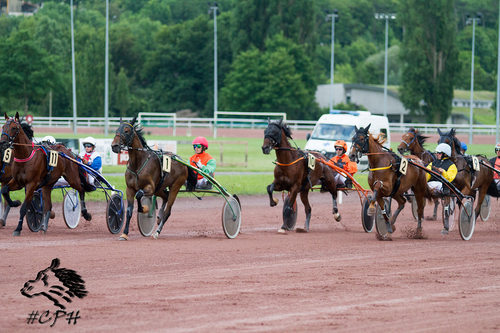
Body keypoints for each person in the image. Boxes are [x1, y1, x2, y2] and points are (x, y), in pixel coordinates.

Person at [426, 143, 457, 235]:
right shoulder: (432, 164)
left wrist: (443, 172)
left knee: (442, 187)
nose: (437, 154)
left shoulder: (452, 166)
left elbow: (450, 178)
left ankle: (446, 226)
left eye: (439, 153)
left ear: (445, 154)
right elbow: (426, 175)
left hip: (442, 186)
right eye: (437, 153)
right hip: (430, 185)